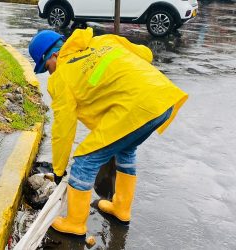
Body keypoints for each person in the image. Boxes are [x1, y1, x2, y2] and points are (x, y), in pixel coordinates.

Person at [28, 28, 188, 236]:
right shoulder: (104, 40)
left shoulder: (61, 78)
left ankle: (75, 223)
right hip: (163, 98)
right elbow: (145, 54)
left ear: (55, 55)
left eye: (47, 67)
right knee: (126, 149)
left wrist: (59, 170)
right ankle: (121, 208)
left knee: (85, 161)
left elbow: (63, 129)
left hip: (135, 108)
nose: (50, 73)